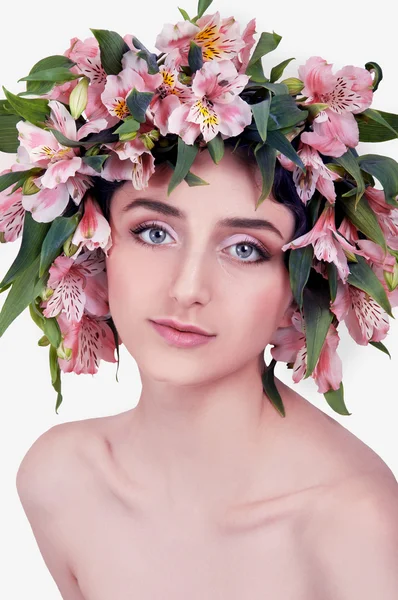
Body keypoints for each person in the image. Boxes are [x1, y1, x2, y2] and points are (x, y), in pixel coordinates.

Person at [1, 0, 398, 597]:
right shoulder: (61, 481)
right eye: (153, 233)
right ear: (95, 253)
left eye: (245, 249)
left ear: (302, 290)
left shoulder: (351, 526)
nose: (188, 290)